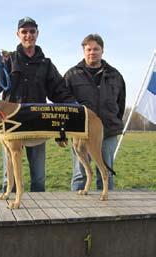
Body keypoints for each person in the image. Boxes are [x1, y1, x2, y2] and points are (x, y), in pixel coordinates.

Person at [0, 17, 76, 192]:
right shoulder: (7, 60)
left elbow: (58, 90)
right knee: (8, 176)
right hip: (11, 122)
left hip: (37, 121)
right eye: (24, 32)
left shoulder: (46, 64)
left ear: (37, 34)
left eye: (32, 31)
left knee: (38, 178)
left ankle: (38, 214)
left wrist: (74, 105)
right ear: (18, 34)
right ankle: (7, 210)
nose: (28, 35)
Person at [64, 34, 126, 191]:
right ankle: (77, 211)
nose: (92, 52)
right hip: (81, 131)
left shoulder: (115, 75)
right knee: (80, 173)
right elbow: (64, 102)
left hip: (108, 131)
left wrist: (113, 121)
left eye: (96, 49)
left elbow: (121, 103)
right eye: (89, 49)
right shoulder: (72, 75)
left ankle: (107, 209)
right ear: (83, 51)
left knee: (105, 173)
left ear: (102, 50)